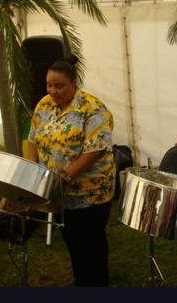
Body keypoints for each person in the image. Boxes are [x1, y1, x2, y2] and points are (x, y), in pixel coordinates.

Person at [27, 54, 116, 287]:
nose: (53, 91)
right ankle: (81, 279)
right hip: (58, 192)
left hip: (90, 192)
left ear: (74, 83)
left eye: (59, 86)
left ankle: (96, 283)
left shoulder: (93, 108)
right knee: (71, 238)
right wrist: (35, 171)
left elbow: (94, 150)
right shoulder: (44, 105)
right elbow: (32, 139)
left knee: (91, 243)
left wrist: (65, 177)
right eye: (49, 85)